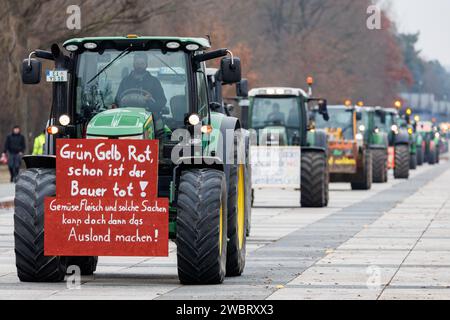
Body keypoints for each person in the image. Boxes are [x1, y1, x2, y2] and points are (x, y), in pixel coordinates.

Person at [114, 52, 167, 135]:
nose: (139, 66)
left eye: (142, 63)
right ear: (133, 64)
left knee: (160, 127)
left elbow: (162, 101)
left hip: (150, 116)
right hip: (127, 116)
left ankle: (158, 145)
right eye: (137, 63)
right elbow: (117, 99)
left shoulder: (154, 81)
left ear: (146, 65)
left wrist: (150, 101)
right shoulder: (125, 81)